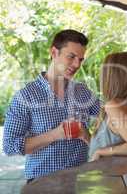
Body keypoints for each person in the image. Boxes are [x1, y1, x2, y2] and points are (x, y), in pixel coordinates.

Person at [2, 29, 101, 183]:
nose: (77, 64)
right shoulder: (26, 96)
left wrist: (87, 136)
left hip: (80, 180)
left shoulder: (83, 92)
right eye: (71, 57)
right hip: (42, 183)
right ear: (54, 52)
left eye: (81, 59)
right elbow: (10, 146)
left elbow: (109, 118)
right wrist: (55, 134)